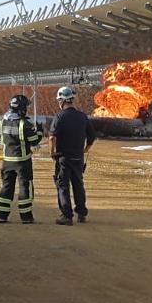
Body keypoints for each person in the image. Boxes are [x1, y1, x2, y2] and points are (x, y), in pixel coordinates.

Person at [48, 86, 96, 226]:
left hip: (63, 158)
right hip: (78, 158)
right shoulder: (82, 116)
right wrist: (85, 150)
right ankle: (81, 213)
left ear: (61, 101)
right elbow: (92, 137)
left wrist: (52, 153)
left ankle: (66, 216)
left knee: (63, 186)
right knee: (78, 185)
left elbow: (51, 137)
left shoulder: (59, 117)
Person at [0, 94, 41, 224]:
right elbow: (34, 141)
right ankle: (26, 217)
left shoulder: (2, 121)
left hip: (6, 162)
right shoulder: (24, 124)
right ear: (21, 108)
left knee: (6, 187)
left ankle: (2, 215)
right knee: (25, 187)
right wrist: (39, 132)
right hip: (22, 162)